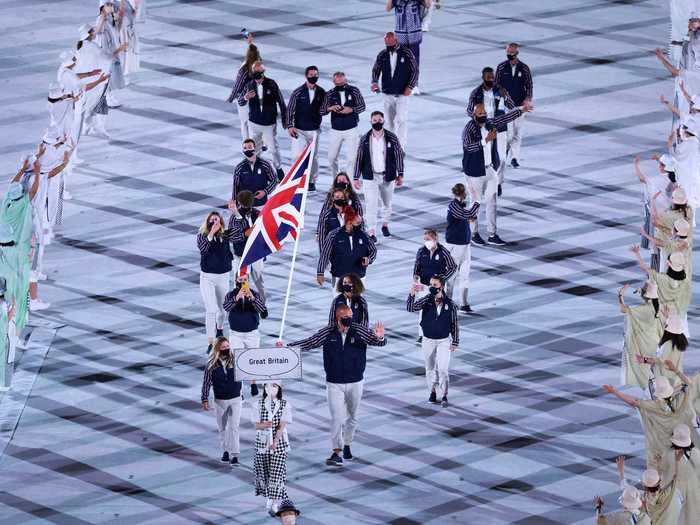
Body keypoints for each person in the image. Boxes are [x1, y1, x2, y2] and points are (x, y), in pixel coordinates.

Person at [281, 306, 386, 466]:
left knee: (353, 417)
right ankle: (336, 451)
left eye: (351, 315)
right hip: (334, 382)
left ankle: (348, 444)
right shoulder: (327, 332)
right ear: (338, 317)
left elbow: (377, 342)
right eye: (346, 316)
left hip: (355, 381)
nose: (349, 319)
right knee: (336, 418)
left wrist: (379, 337)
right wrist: (288, 348)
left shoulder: (359, 330)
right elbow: (310, 342)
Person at [603, 359, 699, 463]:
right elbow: (689, 384)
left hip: (666, 439)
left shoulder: (654, 405)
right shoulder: (680, 398)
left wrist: (614, 392)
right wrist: (675, 370)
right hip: (685, 432)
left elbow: (632, 402)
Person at [462, 102, 531, 246]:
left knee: (492, 202)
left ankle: (492, 234)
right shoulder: (469, 129)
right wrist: (485, 140)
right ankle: (473, 233)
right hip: (474, 172)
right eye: (480, 114)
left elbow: (504, 119)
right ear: (474, 115)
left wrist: (520, 110)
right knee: (475, 203)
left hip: (489, 169)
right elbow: (469, 147)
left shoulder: (488, 123)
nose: (483, 116)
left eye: (484, 113)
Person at [353, 111, 405, 242]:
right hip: (370, 176)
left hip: (388, 176)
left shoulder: (391, 137)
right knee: (371, 204)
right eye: (374, 120)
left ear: (383, 121)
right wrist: (355, 177)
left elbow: (399, 155)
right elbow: (359, 158)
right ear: (371, 122)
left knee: (387, 203)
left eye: (379, 120)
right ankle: (371, 231)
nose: (377, 122)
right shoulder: (364, 139)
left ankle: (385, 224)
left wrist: (401, 174)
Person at [407, 275, 458, 407]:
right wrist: (411, 294)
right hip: (428, 340)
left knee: (442, 369)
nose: (431, 287)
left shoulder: (450, 305)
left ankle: (444, 395)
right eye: (431, 285)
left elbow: (454, 324)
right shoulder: (426, 300)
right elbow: (411, 308)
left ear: (441, 286)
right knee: (429, 369)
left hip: (444, 341)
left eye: (434, 285)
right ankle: (433, 392)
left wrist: (455, 341)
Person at [467, 67, 516, 191]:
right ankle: (485, 182)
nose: (490, 79)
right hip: (483, 128)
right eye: (488, 77)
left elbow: (511, 106)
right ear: (483, 77)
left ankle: (498, 182)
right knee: (486, 158)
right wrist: (476, 112)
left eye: (492, 77)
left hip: (499, 126)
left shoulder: (499, 90)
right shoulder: (476, 93)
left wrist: (506, 96)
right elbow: (469, 111)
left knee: (502, 158)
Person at [239, 61, 287, 180]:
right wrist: (245, 97)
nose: (257, 74)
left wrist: (286, 120)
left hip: (268, 124)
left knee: (273, 149)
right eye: (255, 72)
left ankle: (279, 168)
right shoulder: (249, 84)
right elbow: (241, 101)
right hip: (254, 123)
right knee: (254, 149)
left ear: (263, 72)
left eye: (259, 72)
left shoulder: (271, 84)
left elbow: (281, 101)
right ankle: (253, 171)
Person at [251, 382, 292, 516]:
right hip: (262, 443)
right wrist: (264, 425)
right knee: (266, 473)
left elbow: (282, 425)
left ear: (279, 388)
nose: (271, 388)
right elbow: (256, 425)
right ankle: (273, 496)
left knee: (277, 472)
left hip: (279, 443)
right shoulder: (258, 403)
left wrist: (275, 440)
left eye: (274, 386)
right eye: (268, 386)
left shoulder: (285, 404)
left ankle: (274, 501)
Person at [370, 32, 418, 148]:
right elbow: (376, 69)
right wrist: (374, 82)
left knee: (401, 120)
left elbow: (415, 71)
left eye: (390, 43)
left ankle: (401, 147)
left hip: (402, 94)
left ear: (395, 40)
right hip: (387, 93)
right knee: (388, 121)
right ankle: (390, 145)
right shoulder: (383, 54)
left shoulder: (406, 53)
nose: (388, 45)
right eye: (386, 43)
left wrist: (410, 86)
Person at [201, 337, 242, 466]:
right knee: (222, 428)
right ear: (218, 349)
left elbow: (248, 371)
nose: (226, 349)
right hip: (220, 400)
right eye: (223, 347)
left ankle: (235, 454)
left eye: (227, 346)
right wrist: (204, 398)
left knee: (234, 427)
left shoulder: (236, 360)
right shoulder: (211, 364)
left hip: (236, 398)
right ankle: (225, 451)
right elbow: (206, 383)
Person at [197, 211, 233, 353]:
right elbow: (203, 249)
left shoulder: (225, 235)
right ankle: (211, 342)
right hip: (207, 277)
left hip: (223, 276)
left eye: (216, 220)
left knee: (222, 310)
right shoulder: (202, 236)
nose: (214, 223)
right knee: (211, 310)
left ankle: (219, 329)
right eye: (211, 221)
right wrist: (211, 233)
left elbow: (240, 233)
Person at [317, 207, 376, 291]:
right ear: (349, 222)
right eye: (358, 223)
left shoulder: (364, 235)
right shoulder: (333, 235)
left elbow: (373, 250)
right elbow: (325, 254)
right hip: (339, 276)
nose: (361, 225)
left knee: (357, 302)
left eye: (361, 223)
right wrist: (320, 272)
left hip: (359, 276)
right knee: (339, 302)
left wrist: (369, 259)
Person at [618, 282, 663, 392]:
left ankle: (652, 391)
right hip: (655, 341)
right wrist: (643, 292)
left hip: (644, 343)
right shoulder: (658, 305)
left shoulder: (645, 309)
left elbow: (624, 309)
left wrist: (620, 296)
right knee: (650, 368)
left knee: (642, 368)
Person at [286, 66, 325, 191]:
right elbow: (290, 109)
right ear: (306, 76)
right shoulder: (298, 92)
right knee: (297, 156)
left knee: (313, 157)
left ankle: (312, 181)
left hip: (314, 130)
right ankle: (294, 180)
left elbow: (324, 109)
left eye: (315, 75)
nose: (314, 77)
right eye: (311, 74)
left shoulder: (321, 92)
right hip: (299, 130)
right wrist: (290, 126)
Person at [495, 43, 533, 168]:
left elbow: (529, 85)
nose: (510, 55)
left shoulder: (524, 68)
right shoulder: (501, 67)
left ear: (517, 53)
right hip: (506, 106)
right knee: (508, 134)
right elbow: (496, 85)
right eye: (508, 53)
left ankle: (514, 158)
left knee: (517, 133)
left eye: (512, 53)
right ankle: (503, 154)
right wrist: (501, 96)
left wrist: (527, 99)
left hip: (520, 106)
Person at [321, 72, 366, 178]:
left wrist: (351, 109)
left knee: (352, 158)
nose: (341, 84)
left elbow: (362, 106)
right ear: (334, 82)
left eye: (343, 82)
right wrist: (330, 108)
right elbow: (321, 111)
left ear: (346, 80)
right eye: (338, 83)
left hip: (351, 129)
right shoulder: (329, 94)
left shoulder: (354, 90)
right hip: (336, 130)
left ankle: (350, 182)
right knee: (331, 157)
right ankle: (336, 179)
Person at [444, 183, 480, 313]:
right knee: (451, 276)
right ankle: (446, 303)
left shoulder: (460, 206)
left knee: (465, 275)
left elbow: (470, 216)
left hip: (465, 245)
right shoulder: (453, 206)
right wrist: (477, 201)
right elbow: (469, 213)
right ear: (462, 194)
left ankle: (464, 304)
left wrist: (471, 216)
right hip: (454, 246)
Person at [75, 23, 113, 140]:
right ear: (88, 34)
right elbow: (106, 59)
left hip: (87, 82)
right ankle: (99, 129)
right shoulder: (93, 47)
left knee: (89, 106)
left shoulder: (80, 47)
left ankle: (87, 127)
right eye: (92, 31)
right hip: (98, 81)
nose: (94, 33)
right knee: (100, 105)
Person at [227, 191, 265, 300]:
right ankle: (241, 305)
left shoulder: (258, 215)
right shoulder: (236, 217)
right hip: (242, 254)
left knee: (258, 282)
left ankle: (260, 305)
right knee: (242, 282)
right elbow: (232, 237)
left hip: (253, 254)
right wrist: (245, 234)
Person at [386, 1, 428, 94]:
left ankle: (414, 85)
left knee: (414, 60)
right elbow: (388, 8)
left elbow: (428, 5)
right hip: (401, 33)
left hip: (414, 32)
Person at [593, 456, 650, 525]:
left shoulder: (618, 517)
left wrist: (598, 507)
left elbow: (600, 521)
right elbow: (629, 492)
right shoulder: (646, 518)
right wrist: (621, 472)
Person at [95, 0, 128, 109]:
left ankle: (109, 95)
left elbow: (116, 31)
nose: (111, 7)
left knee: (111, 73)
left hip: (111, 49)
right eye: (108, 5)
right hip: (105, 51)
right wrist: (103, 18)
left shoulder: (110, 18)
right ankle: (106, 97)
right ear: (102, 7)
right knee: (106, 74)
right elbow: (97, 31)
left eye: (111, 5)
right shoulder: (101, 19)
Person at [227, 33, 260, 139]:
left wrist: (231, 98)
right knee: (255, 122)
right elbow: (255, 52)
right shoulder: (259, 66)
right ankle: (261, 142)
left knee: (245, 123)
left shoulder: (245, 70)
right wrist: (250, 43)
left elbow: (237, 86)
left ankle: (247, 144)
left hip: (244, 98)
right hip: (255, 97)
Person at [223, 274, 267, 350]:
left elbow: (264, 312)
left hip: (252, 334)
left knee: (253, 357)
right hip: (235, 334)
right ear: (236, 280)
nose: (242, 282)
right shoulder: (230, 294)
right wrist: (237, 297)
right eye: (240, 280)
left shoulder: (255, 294)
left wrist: (253, 298)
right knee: (236, 358)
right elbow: (226, 308)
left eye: (245, 280)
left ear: (248, 281)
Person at [232, 138, 277, 207]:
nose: (247, 150)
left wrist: (265, 191)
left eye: (250, 147)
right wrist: (234, 203)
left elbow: (274, 180)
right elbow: (235, 186)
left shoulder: (265, 164)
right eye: (245, 148)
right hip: (245, 205)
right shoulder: (239, 168)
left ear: (255, 148)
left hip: (262, 204)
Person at [118, 0, 141, 83]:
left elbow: (133, 14)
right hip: (123, 29)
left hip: (128, 28)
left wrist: (136, 7)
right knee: (124, 52)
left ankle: (125, 72)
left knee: (128, 52)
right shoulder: (119, 3)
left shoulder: (128, 3)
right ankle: (122, 73)